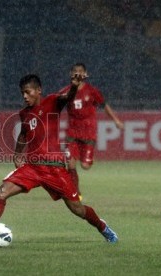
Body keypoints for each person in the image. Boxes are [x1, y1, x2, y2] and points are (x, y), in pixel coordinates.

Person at [0, 74, 118, 246]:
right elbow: (23, 134)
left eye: (27, 92)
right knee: (0, 193)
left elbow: (68, 97)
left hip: (54, 169)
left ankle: (103, 227)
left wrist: (74, 87)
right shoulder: (24, 113)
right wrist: (17, 154)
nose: (25, 96)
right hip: (33, 168)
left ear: (38, 91)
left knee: (77, 209)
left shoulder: (51, 102)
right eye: (22, 93)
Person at [62, 63, 124, 199]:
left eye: (80, 71)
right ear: (71, 74)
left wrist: (116, 120)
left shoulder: (92, 91)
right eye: (75, 71)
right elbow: (54, 107)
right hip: (72, 133)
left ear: (85, 74)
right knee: (70, 164)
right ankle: (75, 192)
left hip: (88, 133)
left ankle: (88, 159)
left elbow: (105, 105)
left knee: (85, 166)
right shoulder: (65, 92)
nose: (78, 74)